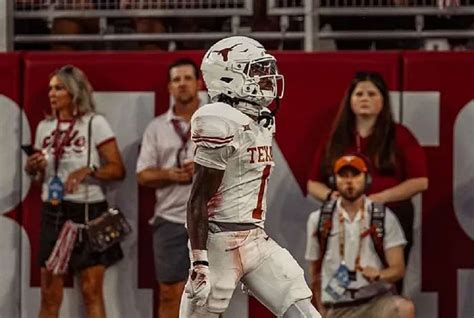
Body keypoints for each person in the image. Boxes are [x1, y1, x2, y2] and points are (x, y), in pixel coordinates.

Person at [179, 36, 321, 318]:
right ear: (227, 76)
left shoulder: (261, 119)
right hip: (218, 243)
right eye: (255, 70)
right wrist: (199, 262)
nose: (266, 77)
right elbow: (197, 199)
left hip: (255, 239)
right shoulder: (218, 119)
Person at [24, 65, 125, 318]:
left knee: (91, 290)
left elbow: (117, 169)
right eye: (50, 88)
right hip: (54, 211)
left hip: (88, 212)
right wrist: (33, 169)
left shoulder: (94, 123)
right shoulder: (44, 128)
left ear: (73, 91)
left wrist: (89, 170)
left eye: (58, 88)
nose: (52, 94)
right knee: (49, 292)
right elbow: (40, 179)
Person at [307, 71, 428, 270]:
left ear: (383, 100)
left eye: (372, 94)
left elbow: (420, 181)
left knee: (391, 272)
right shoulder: (336, 138)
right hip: (344, 218)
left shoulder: (399, 135)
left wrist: (378, 199)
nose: (365, 99)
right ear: (350, 100)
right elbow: (313, 183)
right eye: (359, 94)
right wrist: (334, 197)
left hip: (390, 216)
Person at [305, 154, 415, 318]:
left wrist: (379, 274)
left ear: (367, 179)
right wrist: (319, 309)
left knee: (404, 308)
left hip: (376, 300)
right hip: (337, 305)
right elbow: (314, 272)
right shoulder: (319, 219)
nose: (349, 181)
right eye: (343, 175)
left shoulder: (383, 216)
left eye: (355, 175)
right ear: (334, 180)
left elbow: (398, 269)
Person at [136, 58, 201, 318]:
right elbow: (143, 175)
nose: (182, 84)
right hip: (170, 219)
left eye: (187, 78)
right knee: (169, 293)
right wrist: (170, 174)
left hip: (210, 220)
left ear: (199, 83)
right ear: (169, 88)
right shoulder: (156, 128)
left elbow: (236, 168)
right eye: (176, 80)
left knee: (210, 298)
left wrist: (204, 169)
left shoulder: (217, 122)